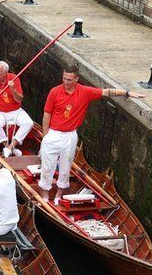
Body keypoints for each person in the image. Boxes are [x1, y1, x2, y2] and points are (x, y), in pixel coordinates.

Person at [39, 65, 145, 202]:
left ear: (76, 79)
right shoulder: (54, 92)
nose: (66, 82)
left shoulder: (84, 92)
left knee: (66, 166)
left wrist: (127, 93)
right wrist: (45, 135)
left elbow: (106, 92)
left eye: (69, 80)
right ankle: (45, 193)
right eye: (64, 78)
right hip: (53, 133)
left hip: (70, 135)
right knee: (47, 166)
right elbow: (47, 113)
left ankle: (59, 194)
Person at [0, 60, 33, 158]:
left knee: (29, 123)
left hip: (15, 110)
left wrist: (13, 89)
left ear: (5, 73)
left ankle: (11, 146)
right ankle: (8, 147)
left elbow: (19, 99)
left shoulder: (14, 78)